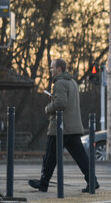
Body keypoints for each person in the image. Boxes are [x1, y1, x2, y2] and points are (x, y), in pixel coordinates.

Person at [29, 59, 100, 193]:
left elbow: (61, 103)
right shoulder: (72, 82)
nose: (50, 70)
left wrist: (48, 107)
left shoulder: (59, 83)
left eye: (52, 68)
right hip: (73, 127)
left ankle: (43, 183)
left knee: (50, 157)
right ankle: (92, 181)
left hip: (60, 128)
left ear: (59, 69)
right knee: (81, 158)